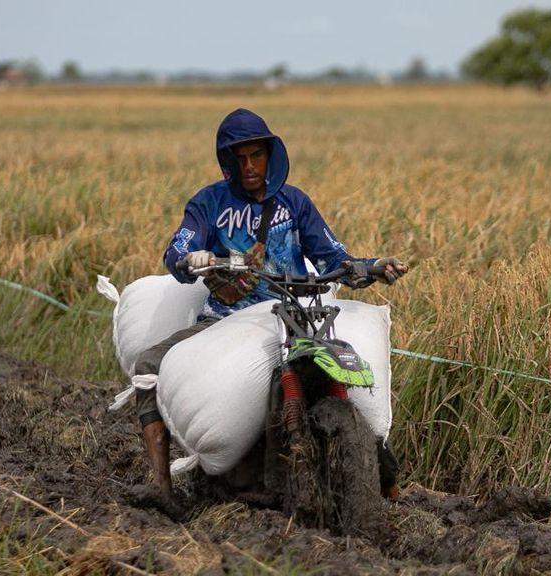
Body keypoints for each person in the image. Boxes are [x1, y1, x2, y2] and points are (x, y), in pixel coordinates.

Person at [134, 108, 408, 499]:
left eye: (256, 155)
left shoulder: (294, 203)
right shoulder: (208, 203)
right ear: (227, 161)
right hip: (223, 319)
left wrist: (373, 266)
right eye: (240, 158)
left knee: (350, 382)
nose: (249, 166)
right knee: (149, 364)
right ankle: (162, 486)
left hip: (294, 315)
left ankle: (390, 486)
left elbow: (334, 258)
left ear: (270, 155)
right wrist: (190, 258)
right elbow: (177, 249)